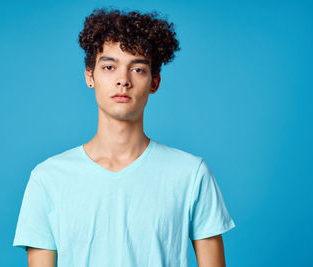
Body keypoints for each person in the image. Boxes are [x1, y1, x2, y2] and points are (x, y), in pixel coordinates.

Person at [13, 8, 236, 267]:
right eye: (109, 67)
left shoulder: (191, 174)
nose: (123, 80)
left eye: (138, 69)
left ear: (155, 82)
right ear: (90, 76)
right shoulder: (48, 179)